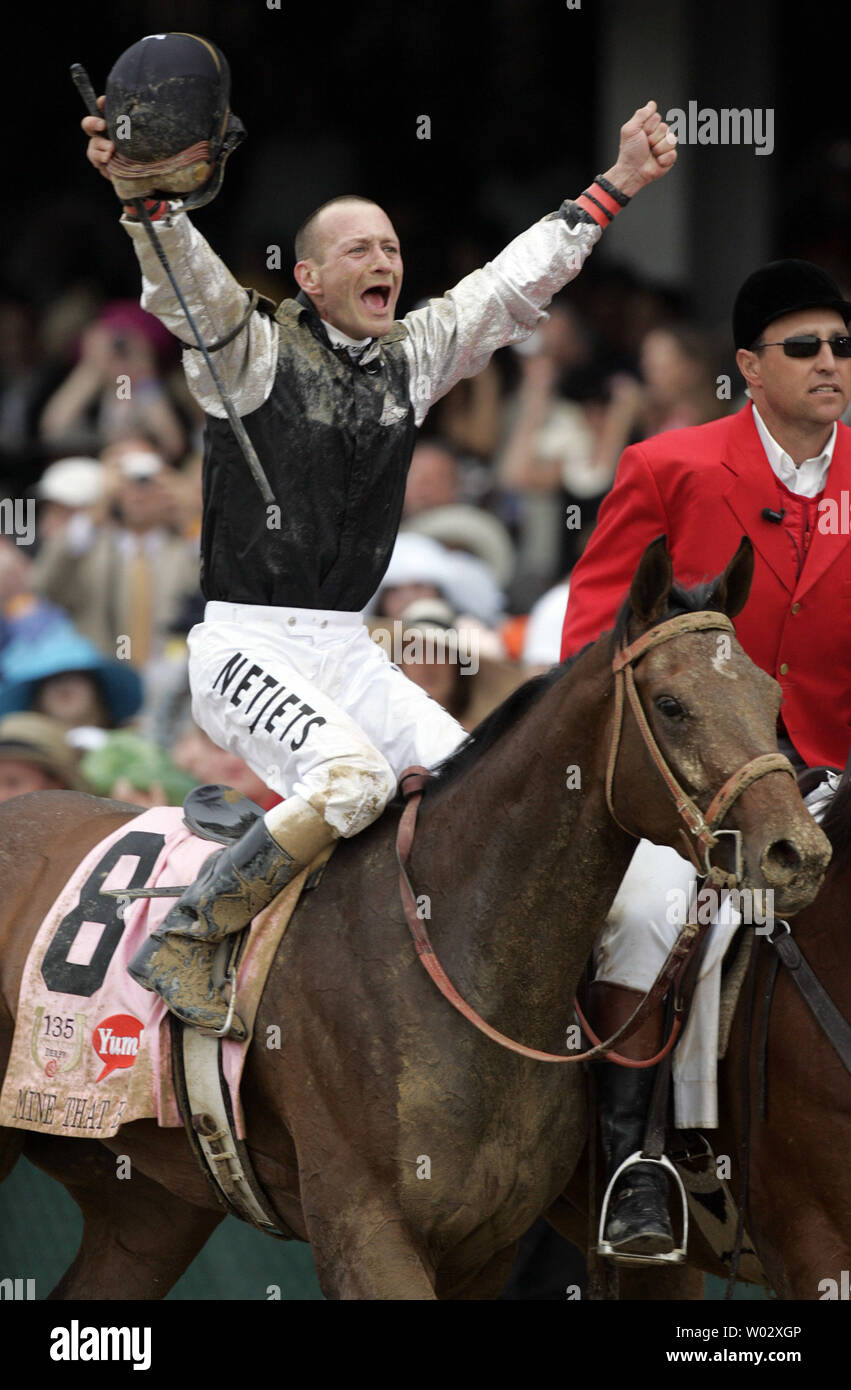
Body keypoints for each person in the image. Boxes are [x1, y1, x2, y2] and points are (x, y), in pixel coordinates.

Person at [83, 35, 677, 1037]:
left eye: (393, 248)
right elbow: (183, 290)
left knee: (483, 803)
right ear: (306, 277)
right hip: (241, 643)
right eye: (359, 247)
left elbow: (506, 288)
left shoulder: (411, 358)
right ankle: (189, 930)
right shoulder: (250, 350)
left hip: (344, 648)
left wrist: (611, 186)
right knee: (354, 778)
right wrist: (147, 206)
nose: (384, 259)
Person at [560, 258, 851, 1259]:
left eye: (842, 348)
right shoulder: (668, 467)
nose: (828, 363)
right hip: (687, 784)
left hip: (831, 787)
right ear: (745, 366)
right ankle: (639, 1162)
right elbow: (592, 641)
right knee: (647, 916)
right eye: (802, 347)